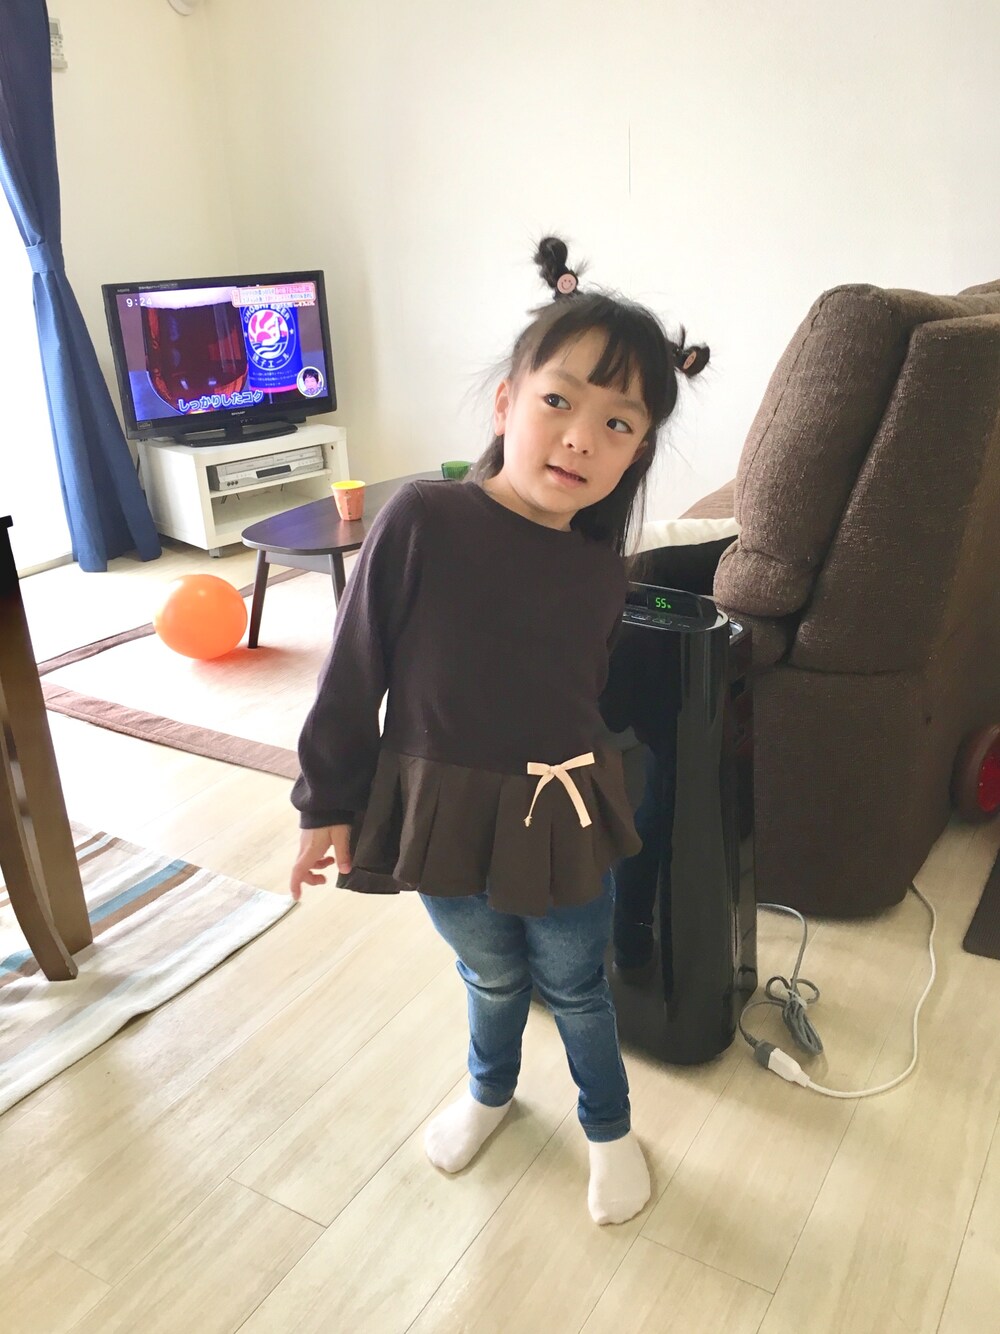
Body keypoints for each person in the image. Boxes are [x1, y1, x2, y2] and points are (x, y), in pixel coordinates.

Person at [289, 235, 709, 1225]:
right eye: (559, 400)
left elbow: (580, 690)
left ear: (636, 452)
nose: (580, 438)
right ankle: (489, 1091)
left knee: (577, 983)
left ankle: (608, 1126)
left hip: (561, 812)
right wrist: (326, 800)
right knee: (487, 970)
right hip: (439, 810)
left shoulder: (601, 568)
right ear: (506, 403)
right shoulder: (422, 519)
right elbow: (354, 669)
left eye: (618, 423)